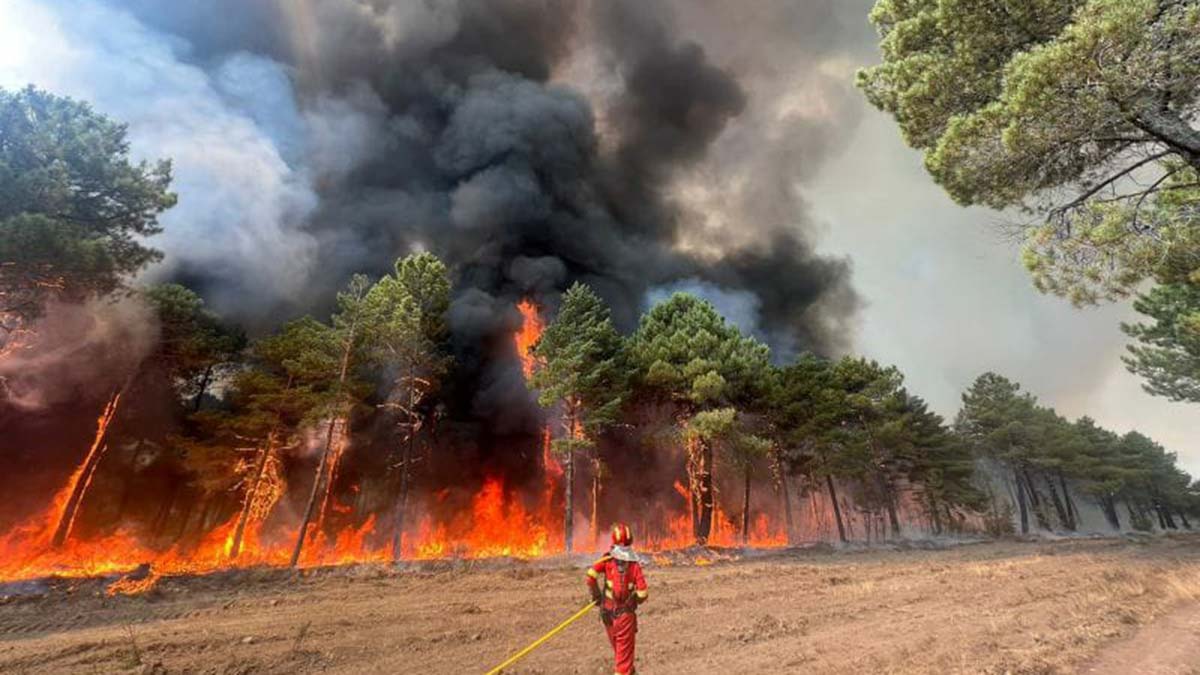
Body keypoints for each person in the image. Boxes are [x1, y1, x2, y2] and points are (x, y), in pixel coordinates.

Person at [585, 523, 649, 675]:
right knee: (623, 663)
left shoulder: (607, 559)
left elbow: (590, 575)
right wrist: (634, 600)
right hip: (624, 618)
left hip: (607, 615)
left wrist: (597, 596)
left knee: (621, 655)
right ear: (630, 541)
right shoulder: (634, 565)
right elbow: (643, 593)